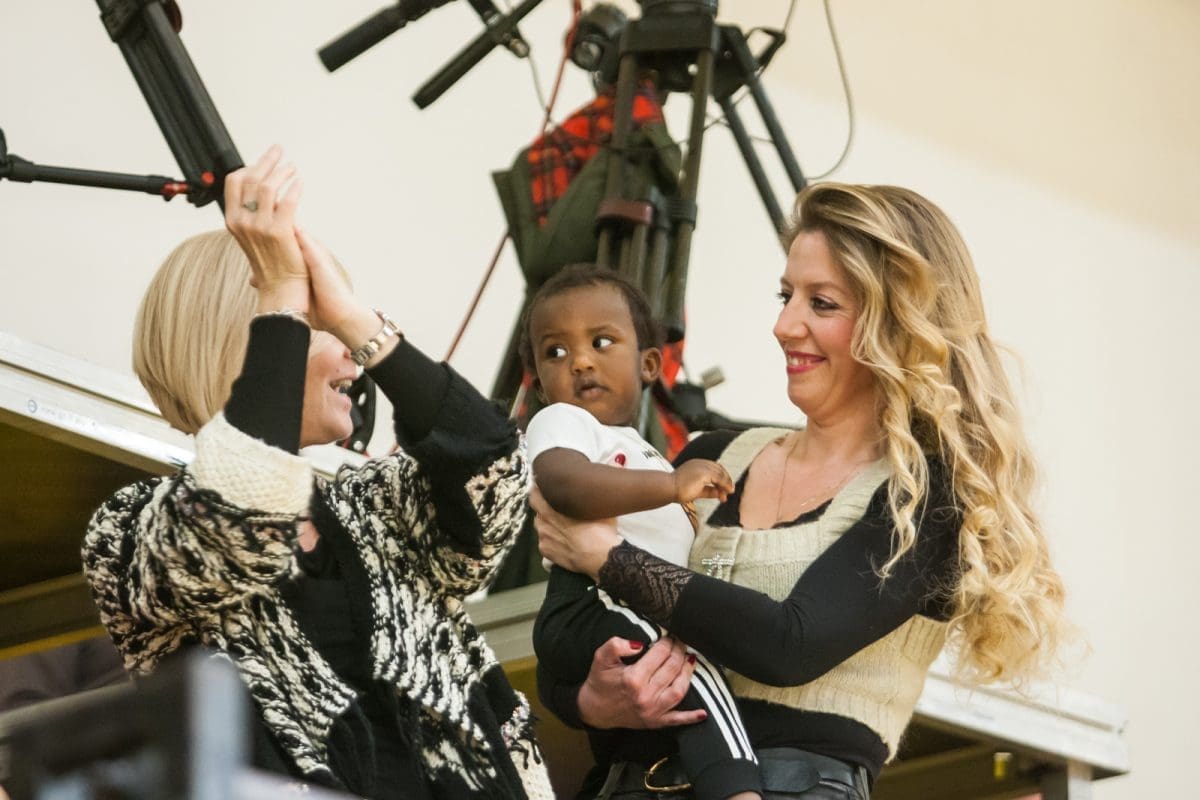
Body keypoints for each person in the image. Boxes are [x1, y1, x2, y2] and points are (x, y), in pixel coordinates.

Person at [533, 183, 1068, 799]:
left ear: (898, 322)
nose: (785, 325)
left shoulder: (927, 498)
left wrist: (607, 557)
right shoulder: (711, 457)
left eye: (822, 303)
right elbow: (570, 628)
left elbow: (791, 644)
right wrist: (590, 701)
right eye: (786, 296)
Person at [81, 147, 553, 799]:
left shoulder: (374, 511)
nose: (353, 359)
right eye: (319, 324)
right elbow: (233, 520)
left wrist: (359, 322)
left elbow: (492, 468)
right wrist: (279, 294)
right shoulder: (128, 530)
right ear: (249, 338)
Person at [520, 266, 759, 800]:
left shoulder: (637, 449)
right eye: (556, 352)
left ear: (649, 363)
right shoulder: (564, 424)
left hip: (615, 608)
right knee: (695, 674)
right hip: (592, 599)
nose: (580, 361)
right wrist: (671, 486)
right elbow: (565, 484)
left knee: (682, 686)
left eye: (601, 342)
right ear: (539, 386)